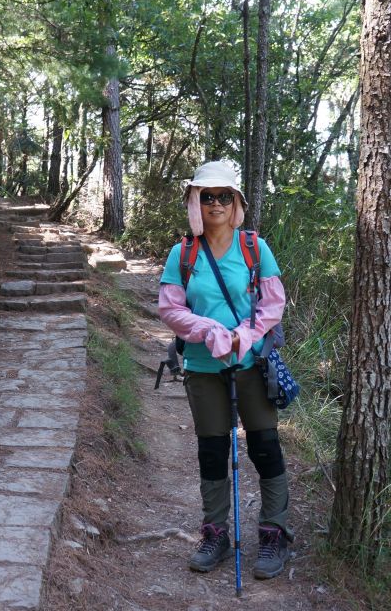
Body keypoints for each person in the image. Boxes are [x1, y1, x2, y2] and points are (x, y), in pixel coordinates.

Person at [158, 161, 293, 580]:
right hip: (202, 366)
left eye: (224, 196)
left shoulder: (255, 247)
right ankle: (215, 533)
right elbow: (170, 309)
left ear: (236, 202)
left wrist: (243, 335)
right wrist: (209, 331)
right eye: (207, 196)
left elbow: (273, 304)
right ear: (194, 201)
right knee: (213, 451)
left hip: (251, 364)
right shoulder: (182, 253)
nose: (215, 203)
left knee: (265, 446)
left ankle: (274, 533)